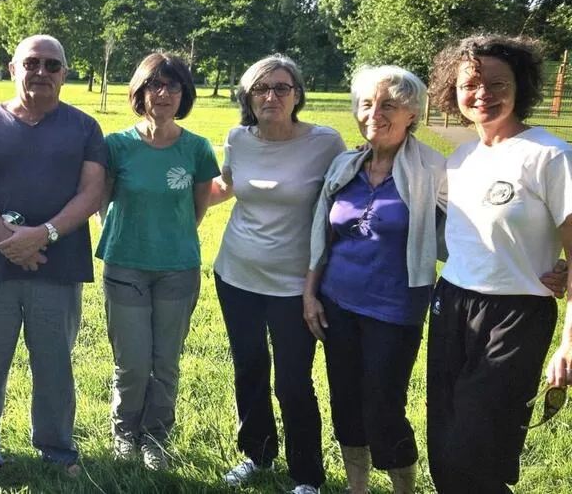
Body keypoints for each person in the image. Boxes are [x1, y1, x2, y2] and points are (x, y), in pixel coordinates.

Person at [425, 34, 572, 494]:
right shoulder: (459, 160)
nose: (482, 94)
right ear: (452, 91)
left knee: (475, 450)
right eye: (470, 84)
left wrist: (569, 344)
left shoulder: (551, 156)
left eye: (496, 83)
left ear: (520, 85)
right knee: (442, 447)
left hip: (516, 315)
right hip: (451, 305)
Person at [0, 34, 106, 477]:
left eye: (52, 65)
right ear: (13, 69)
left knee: (55, 363)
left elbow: (92, 192)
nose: (41, 72)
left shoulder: (85, 127)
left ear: (65, 74)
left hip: (59, 265)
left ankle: (57, 448)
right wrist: (10, 241)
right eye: (31, 63)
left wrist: (43, 234)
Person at [303, 66, 446, 494]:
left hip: (395, 310)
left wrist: (539, 261)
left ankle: (404, 489)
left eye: (388, 105)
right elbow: (322, 235)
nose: (374, 114)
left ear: (412, 113)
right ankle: (358, 488)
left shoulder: (431, 169)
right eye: (367, 104)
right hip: (337, 304)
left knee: (384, 409)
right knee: (346, 404)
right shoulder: (345, 165)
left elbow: (474, 227)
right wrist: (310, 294)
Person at [210, 54, 345, 494]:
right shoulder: (238, 139)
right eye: (261, 89)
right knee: (248, 368)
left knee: (292, 381)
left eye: (281, 87)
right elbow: (226, 185)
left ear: (297, 94)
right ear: (248, 97)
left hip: (294, 286)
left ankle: (306, 475)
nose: (271, 96)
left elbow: (346, 199)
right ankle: (257, 454)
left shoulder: (325, 143)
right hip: (235, 275)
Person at [96, 53, 219, 470]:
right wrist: (125, 236)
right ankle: (124, 433)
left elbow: (197, 208)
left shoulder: (197, 148)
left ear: (184, 94)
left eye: (172, 85)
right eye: (154, 84)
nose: (163, 93)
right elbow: (101, 201)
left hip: (178, 269)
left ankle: (155, 438)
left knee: (166, 362)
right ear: (140, 91)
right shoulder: (116, 146)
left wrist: (169, 238)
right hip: (125, 266)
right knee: (132, 363)